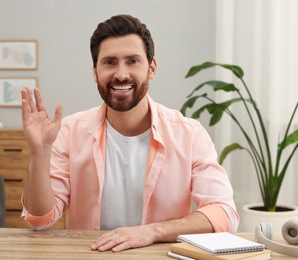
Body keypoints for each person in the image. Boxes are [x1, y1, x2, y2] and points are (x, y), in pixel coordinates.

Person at [20, 14, 239, 253]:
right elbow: (40, 219)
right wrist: (39, 152)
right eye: (110, 62)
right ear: (95, 72)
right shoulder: (71, 132)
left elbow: (223, 213)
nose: (121, 74)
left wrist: (151, 231)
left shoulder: (189, 134)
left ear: (151, 67)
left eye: (133, 61)